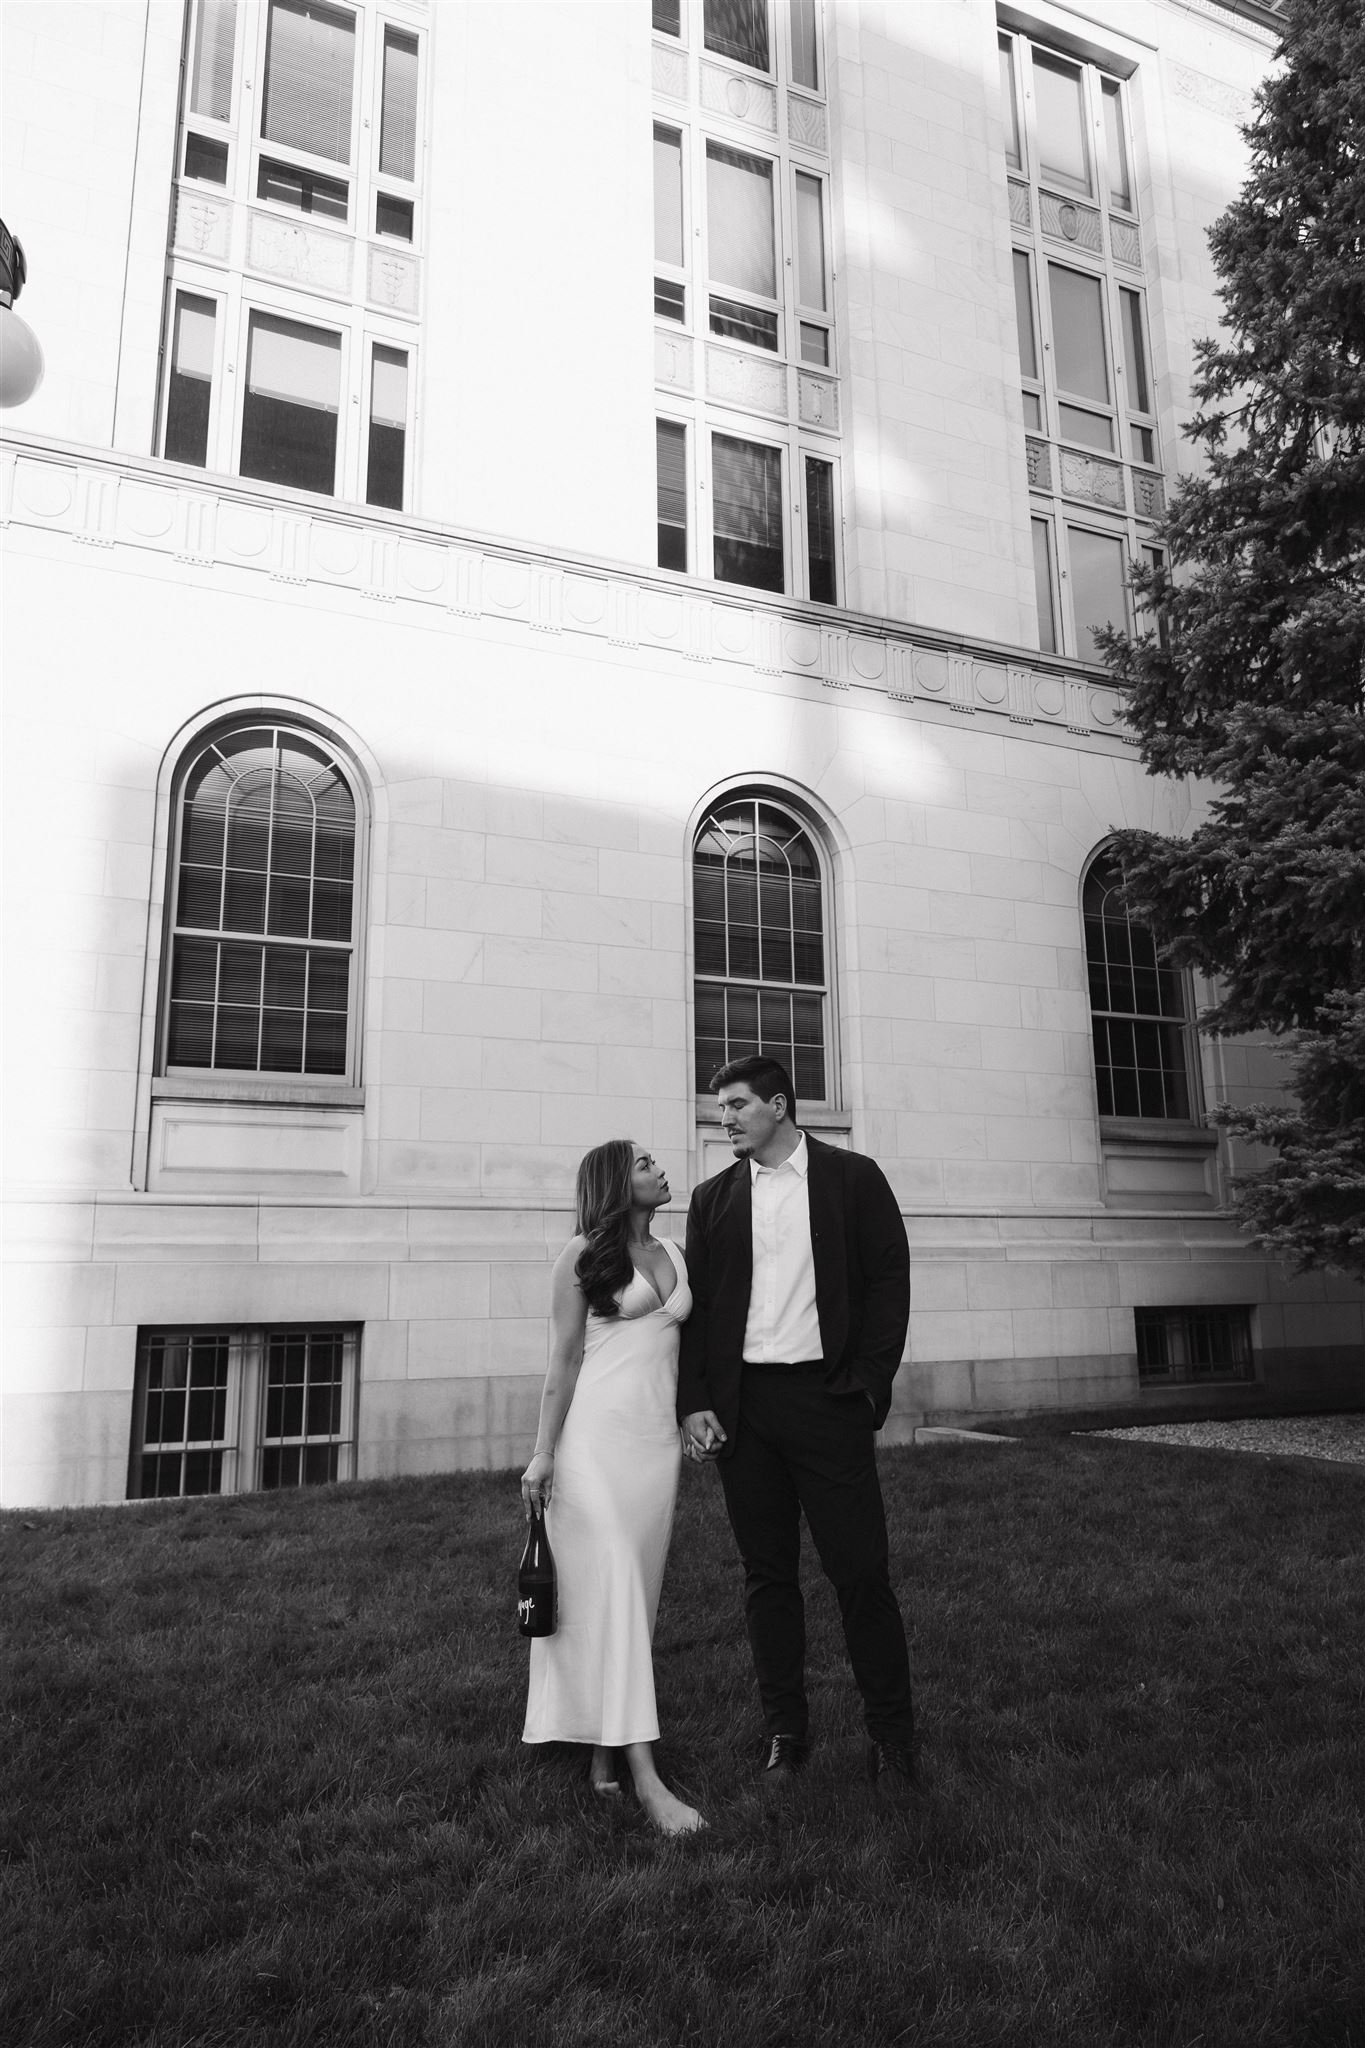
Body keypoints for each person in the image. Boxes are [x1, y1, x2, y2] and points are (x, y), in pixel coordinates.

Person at [678, 1054, 917, 1802]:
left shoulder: (852, 1179)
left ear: (779, 1105)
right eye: (720, 1108)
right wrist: (696, 1401)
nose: (725, 1119)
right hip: (746, 1413)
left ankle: (892, 1737)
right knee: (766, 1577)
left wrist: (866, 1391)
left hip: (827, 1402)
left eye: (738, 1105)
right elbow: (703, 1313)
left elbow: (888, 1284)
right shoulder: (711, 1199)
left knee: (859, 1573)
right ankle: (786, 1731)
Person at [520, 1138, 705, 1836]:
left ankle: (601, 1755)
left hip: (653, 1448)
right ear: (612, 1183)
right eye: (644, 1164)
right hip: (591, 1444)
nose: (659, 1170)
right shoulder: (579, 1257)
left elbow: (682, 1352)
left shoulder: (680, 1253)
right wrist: (543, 1454)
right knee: (621, 1585)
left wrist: (693, 1417)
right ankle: (648, 1779)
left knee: (631, 1599)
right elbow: (563, 1361)